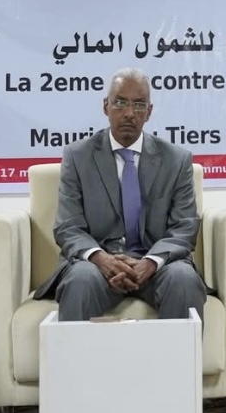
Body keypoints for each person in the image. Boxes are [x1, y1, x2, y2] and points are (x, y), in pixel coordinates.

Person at [34, 68, 206, 324]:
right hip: (97, 266)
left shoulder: (176, 160)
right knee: (80, 280)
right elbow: (68, 227)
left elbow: (184, 227)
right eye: (120, 102)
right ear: (106, 106)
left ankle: (179, 354)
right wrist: (101, 259)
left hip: (158, 266)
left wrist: (151, 262)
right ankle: (75, 354)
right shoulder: (78, 157)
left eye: (139, 105)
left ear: (149, 112)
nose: (129, 113)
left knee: (183, 279)